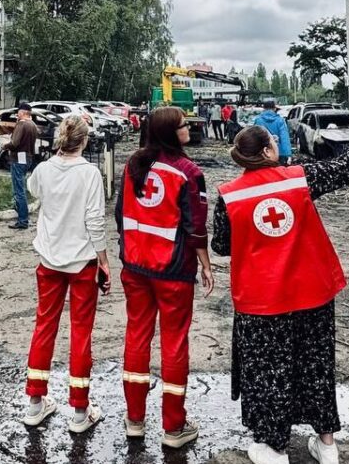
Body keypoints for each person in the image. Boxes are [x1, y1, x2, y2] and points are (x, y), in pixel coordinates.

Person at [212, 111, 349, 464]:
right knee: (316, 364)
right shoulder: (299, 178)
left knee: (268, 370)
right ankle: (326, 444)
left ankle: (274, 447)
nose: (279, 143)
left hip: (262, 299)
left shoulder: (229, 196)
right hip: (311, 292)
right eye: (274, 141)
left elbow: (221, 244)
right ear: (265, 151)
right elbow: (345, 168)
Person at [116, 107, 214, 445]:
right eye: (184, 125)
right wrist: (205, 263)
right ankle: (174, 427)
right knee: (174, 343)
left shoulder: (133, 165)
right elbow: (195, 224)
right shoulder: (188, 172)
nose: (189, 128)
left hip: (135, 267)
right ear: (171, 132)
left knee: (136, 338)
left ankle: (134, 420)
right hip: (172, 272)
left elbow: (120, 214)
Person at [21, 115, 109, 433]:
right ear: (84, 141)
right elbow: (95, 221)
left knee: (44, 326)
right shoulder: (89, 175)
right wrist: (104, 260)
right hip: (82, 262)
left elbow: (33, 189)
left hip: (49, 259)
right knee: (81, 333)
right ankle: (80, 412)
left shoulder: (44, 169)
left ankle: (34, 402)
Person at [6, 103, 39, 230]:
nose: (17, 114)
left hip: (18, 159)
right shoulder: (33, 125)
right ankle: (21, 212)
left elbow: (14, 143)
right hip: (28, 158)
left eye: (18, 112)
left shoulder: (21, 124)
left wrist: (5, 145)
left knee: (19, 190)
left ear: (23, 112)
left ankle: (23, 220)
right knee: (21, 188)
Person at [251, 99, 291, 165]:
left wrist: (253, 153)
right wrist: (288, 154)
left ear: (264, 108)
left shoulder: (258, 120)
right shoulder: (280, 121)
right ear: (274, 108)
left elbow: (255, 138)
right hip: (278, 153)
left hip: (263, 153)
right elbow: (284, 138)